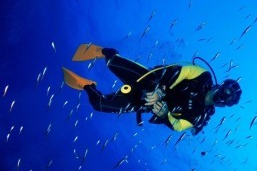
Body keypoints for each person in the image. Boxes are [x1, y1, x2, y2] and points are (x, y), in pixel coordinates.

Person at [62, 44, 241, 134]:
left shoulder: (201, 117)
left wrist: (165, 115)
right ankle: (107, 54)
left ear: (225, 105)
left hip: (145, 104)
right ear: (220, 85)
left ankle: (88, 85)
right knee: (133, 72)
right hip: (152, 82)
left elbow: (179, 127)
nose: (222, 97)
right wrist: (159, 90)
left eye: (227, 99)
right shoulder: (203, 76)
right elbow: (181, 70)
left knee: (100, 104)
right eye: (224, 92)